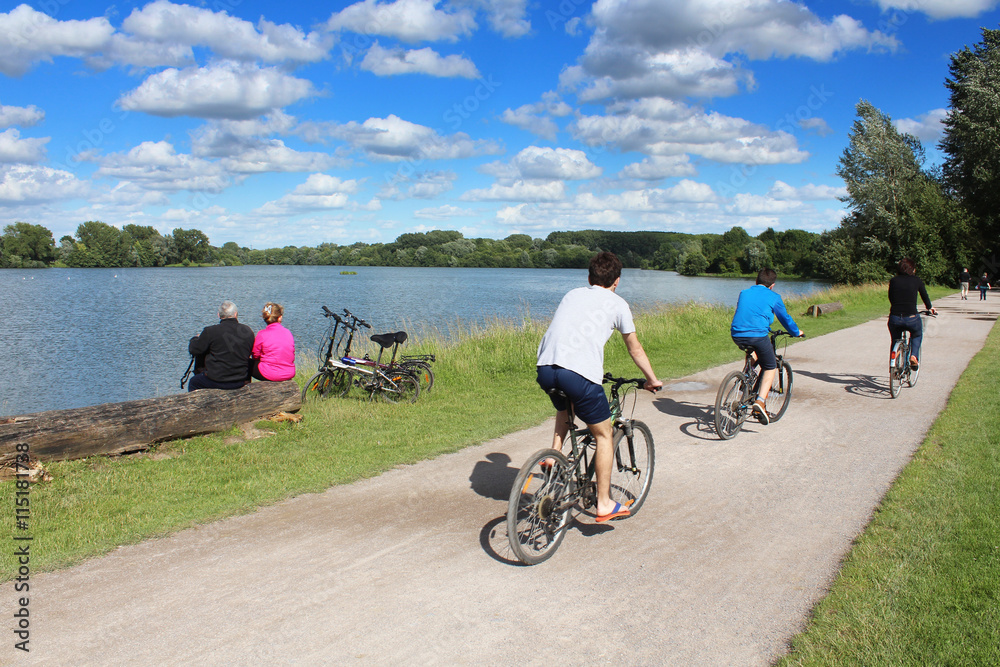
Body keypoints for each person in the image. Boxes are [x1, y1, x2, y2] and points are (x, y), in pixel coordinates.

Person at [536, 251, 662, 523]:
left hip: (546, 369)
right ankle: (603, 504)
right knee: (604, 435)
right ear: (617, 281)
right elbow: (635, 348)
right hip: (578, 374)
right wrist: (651, 379)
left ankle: (554, 455)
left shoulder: (572, 294)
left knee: (565, 405)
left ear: (589, 277)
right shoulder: (618, 304)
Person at [730, 268, 804, 426]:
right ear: (772, 285)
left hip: (736, 333)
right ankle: (760, 402)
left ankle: (747, 375)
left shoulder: (744, 292)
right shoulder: (774, 296)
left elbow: (747, 313)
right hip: (757, 335)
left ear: (756, 281)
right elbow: (785, 319)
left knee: (754, 350)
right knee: (770, 365)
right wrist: (796, 332)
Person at [187, 300, 255, 391]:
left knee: (193, 382)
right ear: (235, 314)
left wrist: (194, 339)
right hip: (240, 380)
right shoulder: (247, 331)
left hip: (216, 381)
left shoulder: (210, 331)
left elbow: (194, 350)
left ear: (219, 315)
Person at [888, 258, 936, 371]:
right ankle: (914, 356)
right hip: (911, 318)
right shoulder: (916, 280)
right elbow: (924, 295)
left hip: (895, 317)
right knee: (917, 334)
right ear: (912, 269)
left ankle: (893, 364)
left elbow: (891, 297)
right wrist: (930, 307)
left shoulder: (894, 281)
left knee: (895, 340)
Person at [251, 302, 296, 382]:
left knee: (247, 363)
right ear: (280, 318)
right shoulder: (288, 332)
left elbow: (255, 355)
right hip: (289, 372)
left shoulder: (262, 334)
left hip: (269, 374)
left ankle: (247, 389)